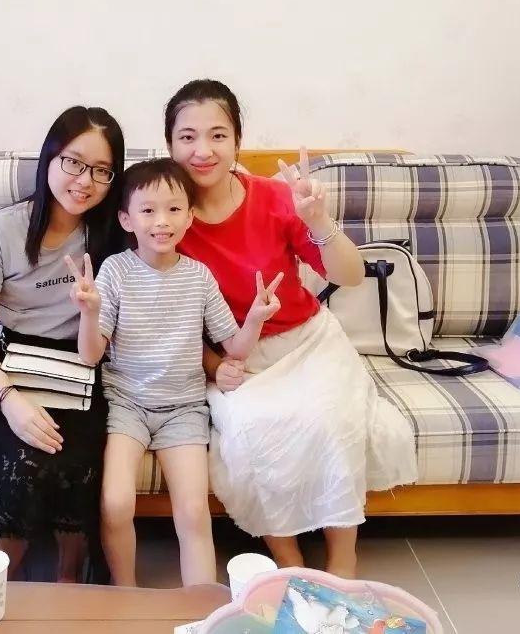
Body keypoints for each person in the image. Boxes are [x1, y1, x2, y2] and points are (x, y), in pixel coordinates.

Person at [164, 79, 419, 578]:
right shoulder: (164, 213)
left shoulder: (277, 198)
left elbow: (351, 276)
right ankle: (289, 560)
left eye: (218, 135)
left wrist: (318, 220)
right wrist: (214, 366)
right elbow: (166, 320)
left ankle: (342, 559)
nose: (202, 150)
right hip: (237, 358)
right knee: (251, 429)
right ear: (170, 145)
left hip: (307, 343)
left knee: (330, 421)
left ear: (237, 141)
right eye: (187, 137)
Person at [0, 105, 125, 582]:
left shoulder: (114, 231)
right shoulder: (1, 231)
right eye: (74, 162)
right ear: (49, 158)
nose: (85, 181)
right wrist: (10, 401)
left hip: (79, 363)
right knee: (23, 457)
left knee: (77, 459)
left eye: (101, 170)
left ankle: (69, 582)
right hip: (1, 364)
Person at [63, 158, 283, 586]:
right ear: (126, 219)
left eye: (174, 209)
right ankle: (125, 594)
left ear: (190, 216)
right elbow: (90, 356)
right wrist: (89, 312)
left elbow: (233, 348)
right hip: (126, 405)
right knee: (115, 503)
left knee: (194, 511)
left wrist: (256, 318)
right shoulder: (116, 271)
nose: (162, 221)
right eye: (148, 210)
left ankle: (200, 605)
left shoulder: (199, 276)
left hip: (184, 409)